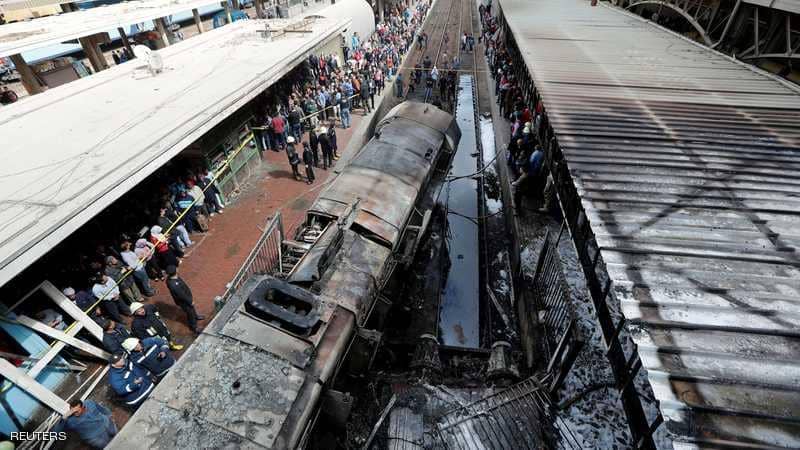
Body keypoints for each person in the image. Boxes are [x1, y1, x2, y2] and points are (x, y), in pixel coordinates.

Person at [52, 400, 117, 449]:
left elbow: (101, 408)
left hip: (106, 423)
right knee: (109, 447)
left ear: (83, 407)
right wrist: (63, 418)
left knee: (116, 434)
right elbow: (56, 432)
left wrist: (110, 415)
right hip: (94, 437)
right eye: (73, 411)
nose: (75, 413)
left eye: (77, 411)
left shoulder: (89, 403)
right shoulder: (71, 421)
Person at [165, 265, 204, 334]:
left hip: (186, 299)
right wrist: (190, 301)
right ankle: (194, 327)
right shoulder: (174, 284)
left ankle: (196, 316)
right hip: (184, 302)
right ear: (175, 271)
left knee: (192, 309)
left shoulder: (172, 279)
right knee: (190, 313)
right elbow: (182, 295)